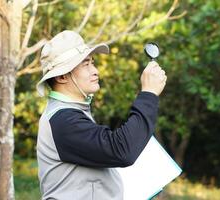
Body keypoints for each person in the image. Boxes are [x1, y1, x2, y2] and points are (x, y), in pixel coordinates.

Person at [36, 30, 167, 200]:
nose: (95, 71)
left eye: (93, 63)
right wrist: (149, 93)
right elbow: (121, 150)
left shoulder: (70, 112)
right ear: (62, 76)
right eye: (86, 64)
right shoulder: (63, 120)